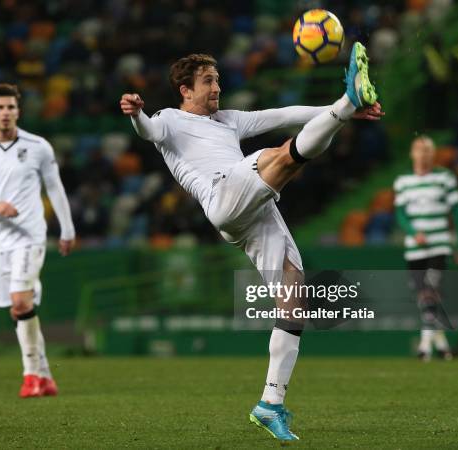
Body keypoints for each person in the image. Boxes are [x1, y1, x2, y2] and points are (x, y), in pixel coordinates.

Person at [120, 43, 383, 441]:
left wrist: (344, 112)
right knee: (276, 157)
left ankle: (270, 404)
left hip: (251, 210)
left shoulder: (228, 120)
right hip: (222, 194)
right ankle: (346, 102)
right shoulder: (169, 119)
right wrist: (137, 112)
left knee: (294, 295)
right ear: (185, 90)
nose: (216, 87)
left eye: (218, 80)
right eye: (208, 81)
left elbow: (283, 114)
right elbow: (148, 131)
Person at [0, 84, 76, 397]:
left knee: (20, 302)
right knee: (17, 310)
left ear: (18, 112)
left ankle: (29, 376)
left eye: (11, 107)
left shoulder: (38, 146)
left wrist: (66, 230)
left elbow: (55, 189)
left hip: (30, 235)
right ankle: (46, 376)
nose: (5, 113)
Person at [393, 135, 458, 361]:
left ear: (433, 154)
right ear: (412, 154)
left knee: (430, 291)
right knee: (424, 297)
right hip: (414, 248)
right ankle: (442, 343)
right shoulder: (403, 181)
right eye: (419, 149)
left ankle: (425, 347)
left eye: (427, 150)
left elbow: (457, 213)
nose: (423, 154)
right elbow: (400, 213)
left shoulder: (445, 178)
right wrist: (413, 232)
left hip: (439, 245)